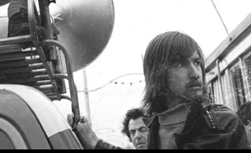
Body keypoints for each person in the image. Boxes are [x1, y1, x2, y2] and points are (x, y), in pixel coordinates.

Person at [70, 31, 249, 149]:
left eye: (197, 62)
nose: (195, 73)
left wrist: (96, 144)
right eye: (180, 64)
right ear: (157, 73)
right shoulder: (157, 125)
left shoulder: (221, 122)